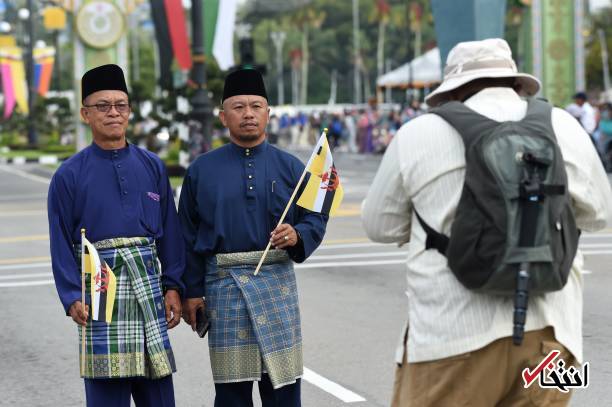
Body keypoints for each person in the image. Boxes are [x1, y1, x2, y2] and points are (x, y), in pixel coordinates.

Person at [361, 39, 612, 406]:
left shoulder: (418, 133)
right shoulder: (565, 126)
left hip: (454, 340)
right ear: (516, 83)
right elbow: (600, 214)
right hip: (551, 341)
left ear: (453, 90)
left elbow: (379, 225)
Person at [178, 68, 328, 407]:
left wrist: (298, 233)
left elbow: (315, 216)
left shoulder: (291, 168)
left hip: (276, 282)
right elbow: (186, 234)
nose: (248, 114)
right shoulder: (201, 170)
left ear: (268, 112)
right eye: (239, 106)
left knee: (284, 390)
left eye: (256, 106)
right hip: (224, 287)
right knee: (231, 394)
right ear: (223, 116)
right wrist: (192, 291)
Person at [47, 64, 185, 407]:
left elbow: (170, 231)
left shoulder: (152, 165)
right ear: (85, 114)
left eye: (120, 105)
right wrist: (70, 295)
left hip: (147, 286)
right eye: (103, 106)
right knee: (107, 392)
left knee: (158, 392)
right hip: (99, 291)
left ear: (129, 110)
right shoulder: (68, 175)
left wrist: (173, 286)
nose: (113, 112)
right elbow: (61, 241)